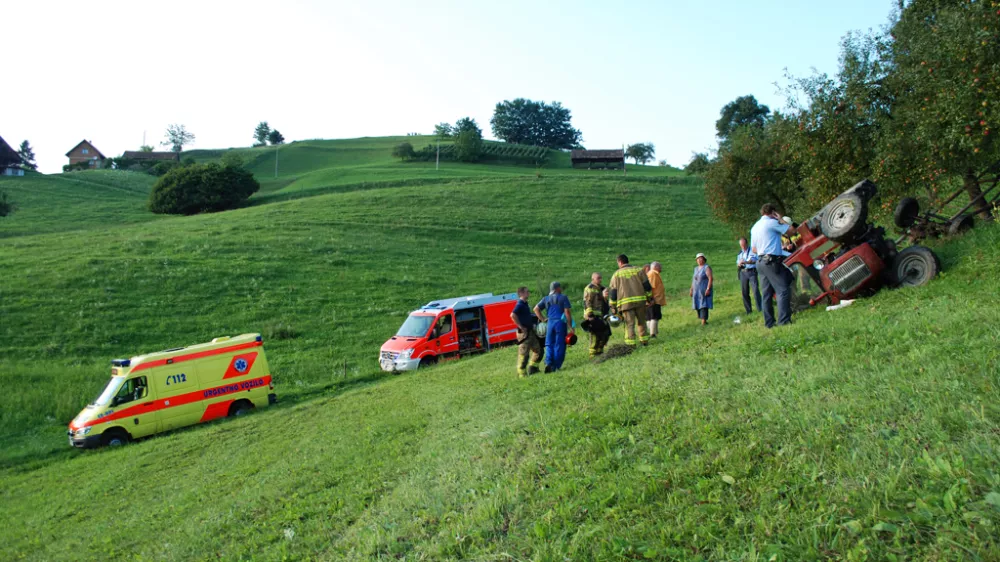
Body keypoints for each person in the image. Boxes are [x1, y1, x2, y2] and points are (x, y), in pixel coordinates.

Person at [750, 203, 796, 328]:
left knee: (766, 294)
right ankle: (784, 321)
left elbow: (754, 249)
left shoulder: (755, 227)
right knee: (783, 290)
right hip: (771, 261)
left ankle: (769, 323)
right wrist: (780, 219)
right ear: (773, 212)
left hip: (760, 262)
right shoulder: (772, 223)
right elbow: (792, 231)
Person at [609, 254, 653, 347]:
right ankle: (644, 341)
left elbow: (613, 293)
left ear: (620, 262)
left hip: (626, 304)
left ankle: (631, 345)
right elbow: (647, 286)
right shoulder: (638, 270)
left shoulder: (616, 274)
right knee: (642, 322)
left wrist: (613, 306)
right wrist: (649, 298)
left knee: (629, 324)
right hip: (640, 301)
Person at [533, 282, 574, 373]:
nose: (561, 289)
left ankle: (548, 362)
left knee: (549, 344)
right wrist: (570, 326)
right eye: (560, 287)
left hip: (550, 323)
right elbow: (567, 312)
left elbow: (536, 309)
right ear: (556, 289)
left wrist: (543, 319)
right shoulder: (563, 297)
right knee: (559, 344)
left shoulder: (546, 299)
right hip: (560, 323)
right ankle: (555, 366)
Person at [510, 286, 543, 378]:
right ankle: (522, 374)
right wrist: (520, 326)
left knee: (539, 350)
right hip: (524, 334)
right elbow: (512, 315)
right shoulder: (520, 304)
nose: (528, 293)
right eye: (527, 292)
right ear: (522, 294)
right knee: (524, 355)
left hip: (530, 332)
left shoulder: (525, 304)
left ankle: (533, 369)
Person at [583, 272, 611, 358]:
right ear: (593, 279)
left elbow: (605, 302)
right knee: (595, 335)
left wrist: (606, 298)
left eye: (601, 278)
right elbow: (587, 302)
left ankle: (600, 351)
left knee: (605, 334)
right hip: (593, 316)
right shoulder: (589, 288)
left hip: (602, 316)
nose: (600, 279)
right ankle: (592, 354)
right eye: (598, 278)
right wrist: (590, 315)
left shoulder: (602, 288)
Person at [737, 237, 762, 314]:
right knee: (744, 292)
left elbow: (754, 260)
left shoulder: (752, 250)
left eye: (744, 245)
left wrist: (746, 262)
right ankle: (748, 310)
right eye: (741, 245)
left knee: (755, 290)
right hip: (743, 272)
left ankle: (760, 308)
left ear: (747, 244)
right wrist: (739, 264)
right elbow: (737, 263)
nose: (743, 247)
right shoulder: (740, 253)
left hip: (752, 272)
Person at [690, 253, 713, 325]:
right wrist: (691, 289)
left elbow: (710, 278)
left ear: (704, 259)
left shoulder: (706, 268)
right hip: (696, 291)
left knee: (704, 304)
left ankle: (703, 321)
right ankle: (703, 320)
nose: (699, 260)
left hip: (704, 289)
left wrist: (708, 288)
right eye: (698, 259)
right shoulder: (696, 269)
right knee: (698, 304)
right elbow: (694, 280)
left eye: (701, 258)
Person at [646, 261, 666, 337]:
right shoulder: (653, 274)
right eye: (660, 266)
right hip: (654, 299)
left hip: (653, 299)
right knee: (654, 316)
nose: (661, 268)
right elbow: (650, 287)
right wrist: (651, 299)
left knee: (650, 316)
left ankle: (654, 332)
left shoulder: (653, 274)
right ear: (655, 267)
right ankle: (652, 333)